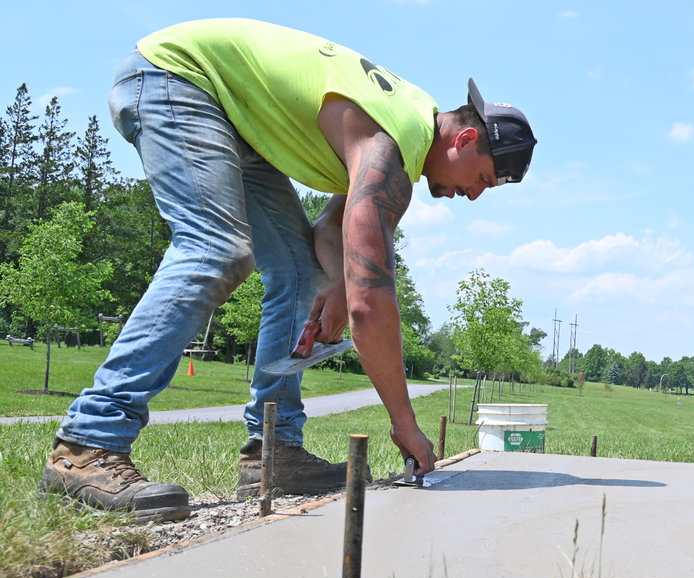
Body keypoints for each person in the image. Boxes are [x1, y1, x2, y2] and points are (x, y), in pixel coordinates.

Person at [41, 18, 536, 523]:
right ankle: (88, 443)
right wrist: (404, 422)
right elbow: (372, 303)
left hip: (239, 118)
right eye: (482, 180)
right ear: (467, 137)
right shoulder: (393, 145)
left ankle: (273, 455)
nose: (472, 195)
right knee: (216, 248)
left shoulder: (402, 139)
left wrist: (341, 282)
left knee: (301, 271)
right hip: (179, 77)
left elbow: (328, 231)